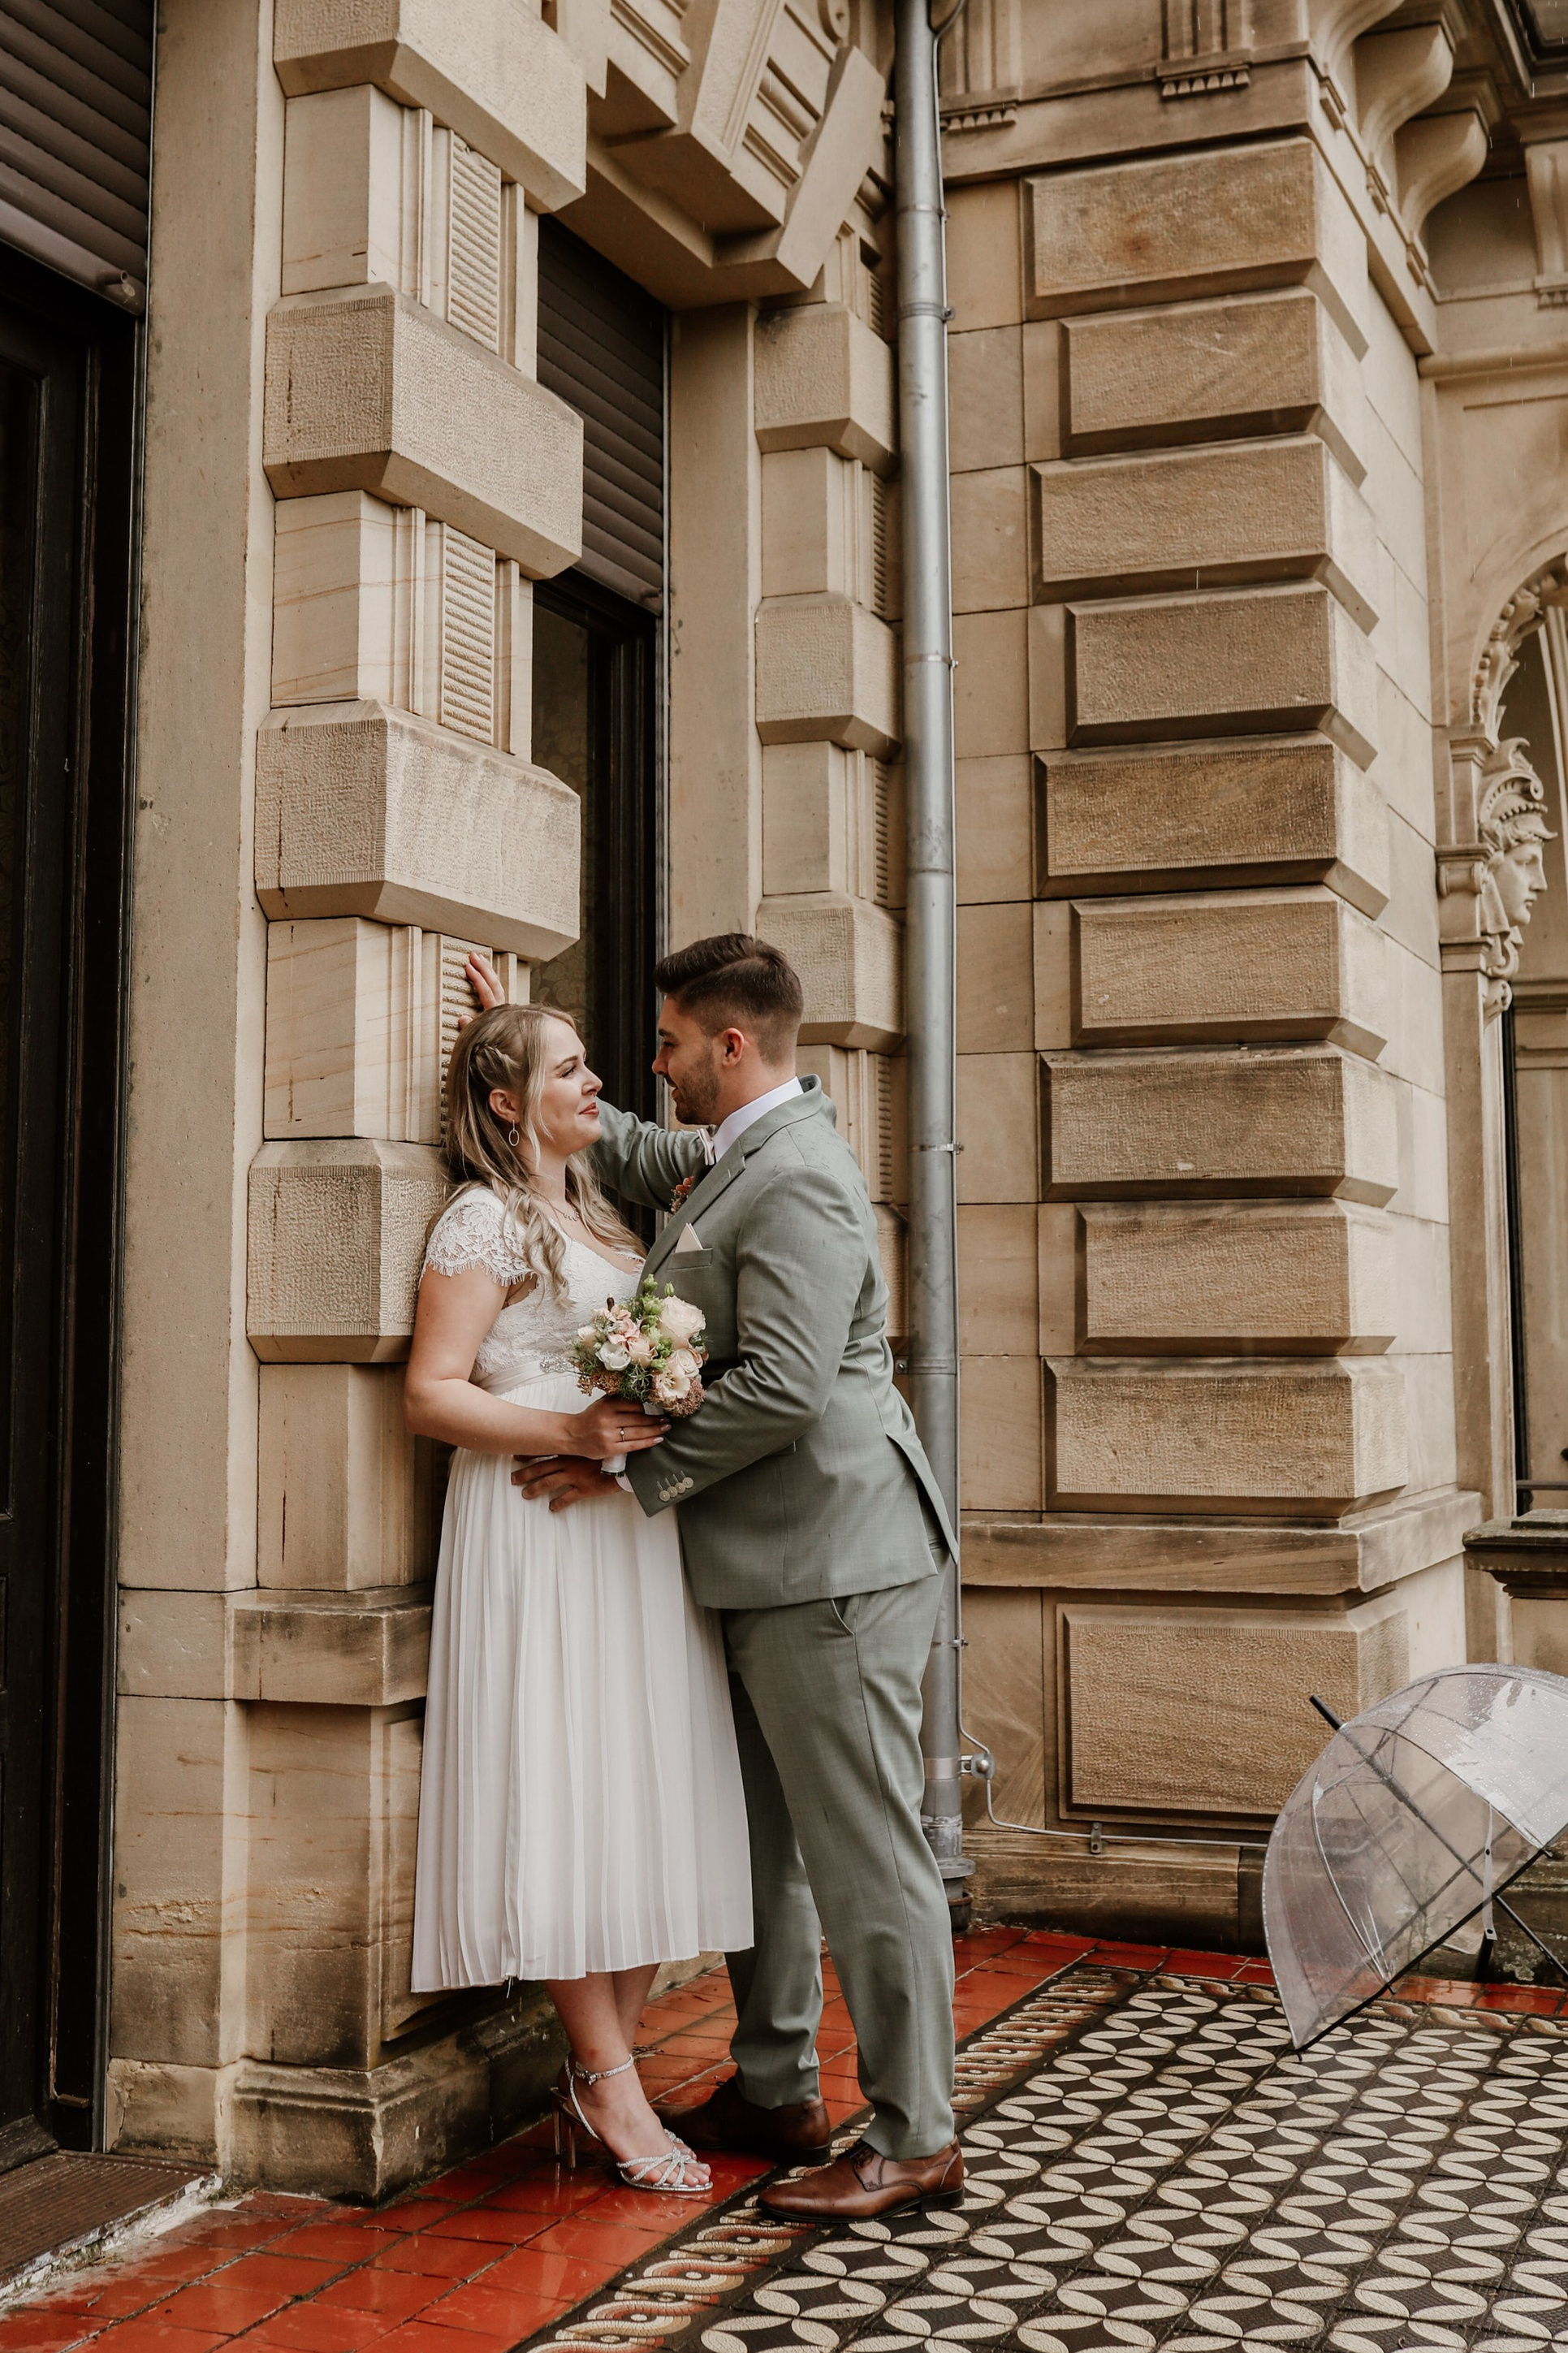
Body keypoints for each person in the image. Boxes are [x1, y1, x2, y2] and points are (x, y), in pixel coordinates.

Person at [497, 934, 965, 2224]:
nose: (656, 1065)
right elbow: (649, 1155)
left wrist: (628, 1469)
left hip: (836, 1563)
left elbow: (789, 1384)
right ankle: (773, 2085)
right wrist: (528, 1047)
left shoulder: (802, 1175)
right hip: (770, 1566)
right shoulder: (742, 1146)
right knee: (766, 1844)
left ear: (734, 1046)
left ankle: (918, 2131)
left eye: (668, 1045)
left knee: (864, 1851)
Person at [404, 1000, 752, 2195]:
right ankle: (607, 2074)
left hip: (626, 1532)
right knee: (561, 1780)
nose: (599, 1079)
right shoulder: (482, 1217)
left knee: (648, 1790)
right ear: (506, 1101)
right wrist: (571, 1425)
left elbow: (692, 1142)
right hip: (536, 1529)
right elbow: (431, 1392)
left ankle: (605, 2064)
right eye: (569, 1067)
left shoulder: (598, 1207)